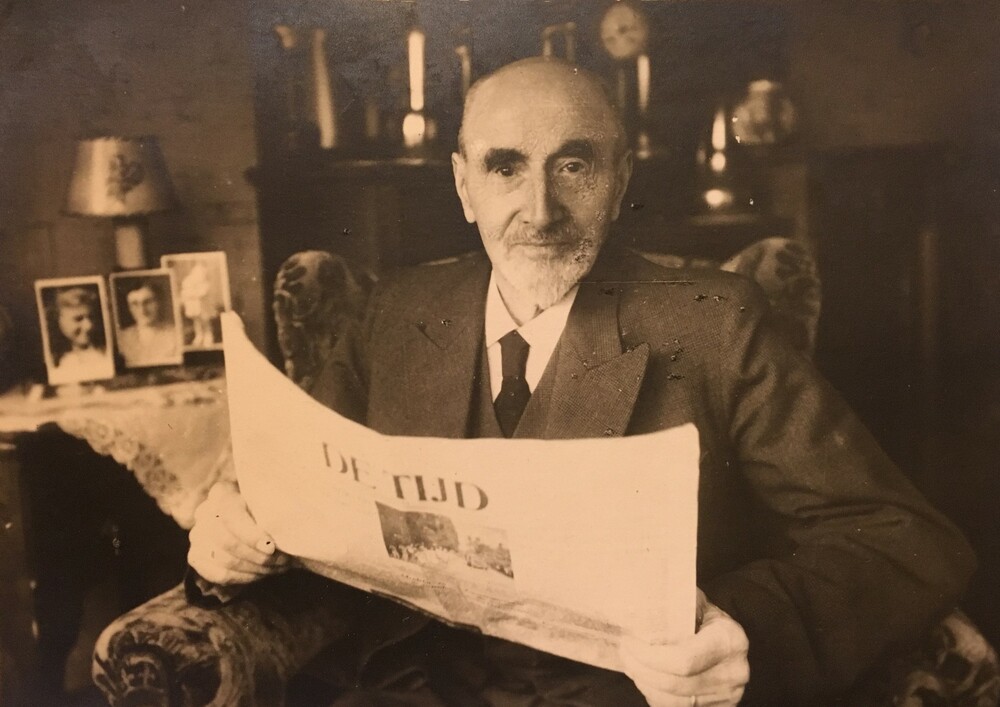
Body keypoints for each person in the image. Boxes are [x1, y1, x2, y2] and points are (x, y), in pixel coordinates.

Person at [187, 58, 974, 705]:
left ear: (620, 177)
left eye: (573, 165)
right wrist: (230, 542)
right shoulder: (395, 314)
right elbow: (294, 504)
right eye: (505, 167)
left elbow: (906, 539)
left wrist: (742, 629)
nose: (540, 209)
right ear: (463, 186)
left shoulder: (713, 322)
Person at [46, 285, 112, 383]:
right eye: (78, 319)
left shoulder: (105, 353)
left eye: (91, 317)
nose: (89, 326)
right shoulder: (53, 358)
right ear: (58, 320)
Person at [116, 279, 179, 367]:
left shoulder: (175, 335)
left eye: (148, 302)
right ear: (129, 308)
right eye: (135, 304)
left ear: (159, 303)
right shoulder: (122, 339)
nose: (142, 310)